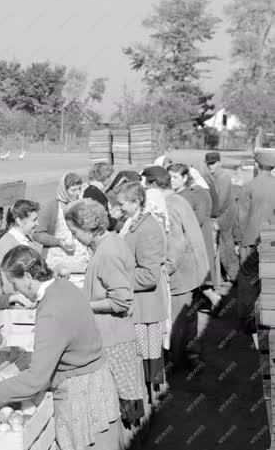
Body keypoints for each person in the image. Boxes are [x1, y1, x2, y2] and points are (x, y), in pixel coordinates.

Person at [0, 246, 121, 450]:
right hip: (97, 382)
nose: (16, 290)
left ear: (28, 278)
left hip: (81, 395)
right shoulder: (63, 286)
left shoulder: (50, 310)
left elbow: (35, 381)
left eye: (15, 284)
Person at [64, 199, 145, 431]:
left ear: (91, 227)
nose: (74, 237)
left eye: (75, 232)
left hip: (113, 338)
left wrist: (84, 304)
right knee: (125, 401)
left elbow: (121, 300)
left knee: (122, 404)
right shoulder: (111, 243)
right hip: (116, 335)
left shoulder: (107, 253)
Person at [141, 166, 209, 372]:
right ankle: (192, 355)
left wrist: (164, 271)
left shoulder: (166, 205)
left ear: (153, 184)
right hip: (194, 268)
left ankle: (174, 364)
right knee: (189, 316)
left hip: (182, 270)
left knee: (177, 319)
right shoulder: (179, 199)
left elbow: (176, 245)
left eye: (145, 183)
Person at [114, 182, 169, 401]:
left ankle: (148, 410)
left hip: (145, 308)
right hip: (141, 305)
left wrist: (117, 278)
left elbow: (148, 276)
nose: (118, 209)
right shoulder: (134, 222)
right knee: (143, 361)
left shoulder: (147, 228)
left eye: (122, 204)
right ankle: (146, 404)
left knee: (145, 361)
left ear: (136, 202)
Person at [168, 163, 221, 311]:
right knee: (196, 278)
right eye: (170, 177)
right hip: (191, 240)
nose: (172, 180)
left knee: (197, 276)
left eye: (175, 177)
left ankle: (214, 299)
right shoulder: (182, 194)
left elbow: (198, 220)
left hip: (195, 241)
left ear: (185, 177)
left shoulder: (194, 194)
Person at [236, 150, 275, 334]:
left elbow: (241, 217)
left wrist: (238, 240)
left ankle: (248, 320)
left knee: (248, 280)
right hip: (272, 241)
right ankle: (268, 319)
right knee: (269, 281)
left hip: (251, 240)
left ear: (258, 165)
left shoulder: (249, 186)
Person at [33, 173, 89, 278]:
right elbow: (37, 233)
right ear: (64, 189)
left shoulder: (82, 204)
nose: (77, 193)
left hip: (80, 260)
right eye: (73, 190)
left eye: (79, 189)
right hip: (56, 260)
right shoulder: (51, 206)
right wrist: (59, 242)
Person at [204, 151, 240, 283]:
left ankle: (235, 276)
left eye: (213, 163)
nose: (210, 166)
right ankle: (221, 275)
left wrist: (211, 216)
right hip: (216, 214)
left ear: (219, 163)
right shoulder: (209, 176)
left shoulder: (224, 177)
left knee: (227, 246)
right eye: (208, 164)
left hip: (226, 215)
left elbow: (221, 201)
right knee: (217, 246)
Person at [0, 199, 42, 293]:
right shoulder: (7, 246)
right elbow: (9, 285)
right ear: (19, 221)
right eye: (34, 220)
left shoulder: (27, 240)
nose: (37, 223)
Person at [83, 162, 116, 229]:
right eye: (109, 176)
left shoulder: (87, 188)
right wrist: (116, 218)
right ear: (104, 176)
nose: (110, 180)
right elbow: (105, 223)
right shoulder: (98, 194)